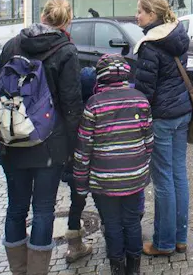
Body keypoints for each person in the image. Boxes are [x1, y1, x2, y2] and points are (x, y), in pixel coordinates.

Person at [0, 0, 83, 275]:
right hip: (49, 143)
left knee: (16, 207)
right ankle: (37, 272)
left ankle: (17, 269)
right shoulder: (66, 50)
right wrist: (73, 146)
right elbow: (71, 104)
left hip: (13, 138)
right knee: (43, 209)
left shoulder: (12, 45)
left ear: (42, 15)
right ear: (67, 21)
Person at [74, 54, 151, 275]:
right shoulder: (140, 99)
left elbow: (83, 148)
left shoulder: (94, 104)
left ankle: (117, 267)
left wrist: (81, 184)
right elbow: (149, 141)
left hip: (104, 179)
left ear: (101, 78)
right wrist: (140, 166)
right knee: (132, 221)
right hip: (134, 177)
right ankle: (134, 268)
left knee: (113, 224)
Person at [132, 0, 193, 257]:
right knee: (179, 175)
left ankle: (164, 243)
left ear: (153, 15)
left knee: (164, 180)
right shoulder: (178, 37)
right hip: (182, 113)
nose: (137, 16)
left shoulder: (150, 45)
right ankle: (180, 238)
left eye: (141, 12)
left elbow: (145, 92)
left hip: (162, 118)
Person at [64, 66, 97, 264]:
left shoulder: (71, 111)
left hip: (74, 168)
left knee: (77, 203)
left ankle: (74, 244)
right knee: (104, 202)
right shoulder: (96, 110)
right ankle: (113, 237)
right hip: (97, 168)